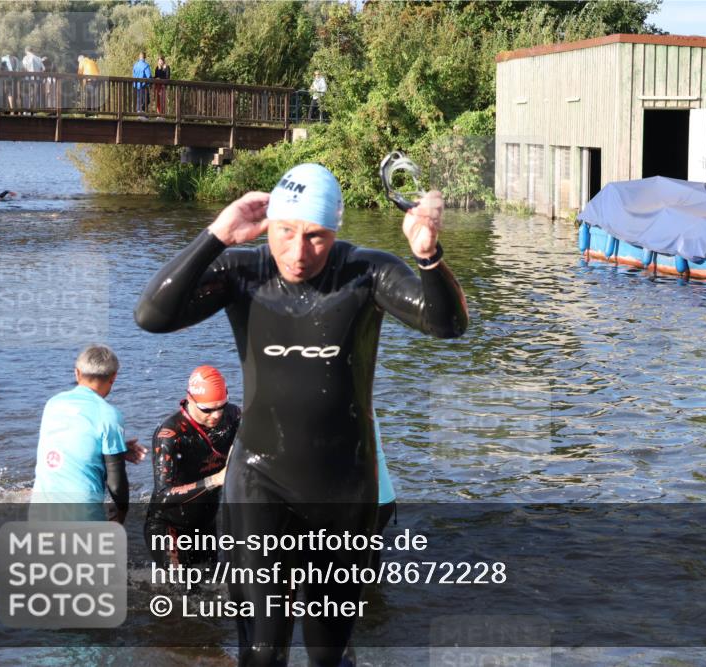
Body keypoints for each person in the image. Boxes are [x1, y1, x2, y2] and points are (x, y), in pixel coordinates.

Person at [135, 163, 468, 666]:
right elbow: (151, 316)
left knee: (327, 654)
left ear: (335, 230)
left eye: (315, 236)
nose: (297, 252)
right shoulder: (242, 272)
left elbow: (447, 325)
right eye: (285, 232)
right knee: (262, 652)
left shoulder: (366, 271)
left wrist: (427, 255)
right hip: (259, 482)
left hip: (343, 489)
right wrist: (216, 236)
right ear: (268, 223)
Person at [30, 345, 147, 522]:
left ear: (77, 373)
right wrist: (122, 512)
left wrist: (118, 451)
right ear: (113, 377)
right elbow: (116, 481)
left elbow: (71, 447)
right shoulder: (109, 415)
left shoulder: (53, 404)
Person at [145, 366, 240, 568]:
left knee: (210, 587)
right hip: (169, 525)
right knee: (180, 592)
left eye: (221, 406)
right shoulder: (170, 434)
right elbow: (163, 494)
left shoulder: (232, 416)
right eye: (207, 409)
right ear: (190, 400)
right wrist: (215, 480)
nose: (216, 415)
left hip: (205, 524)